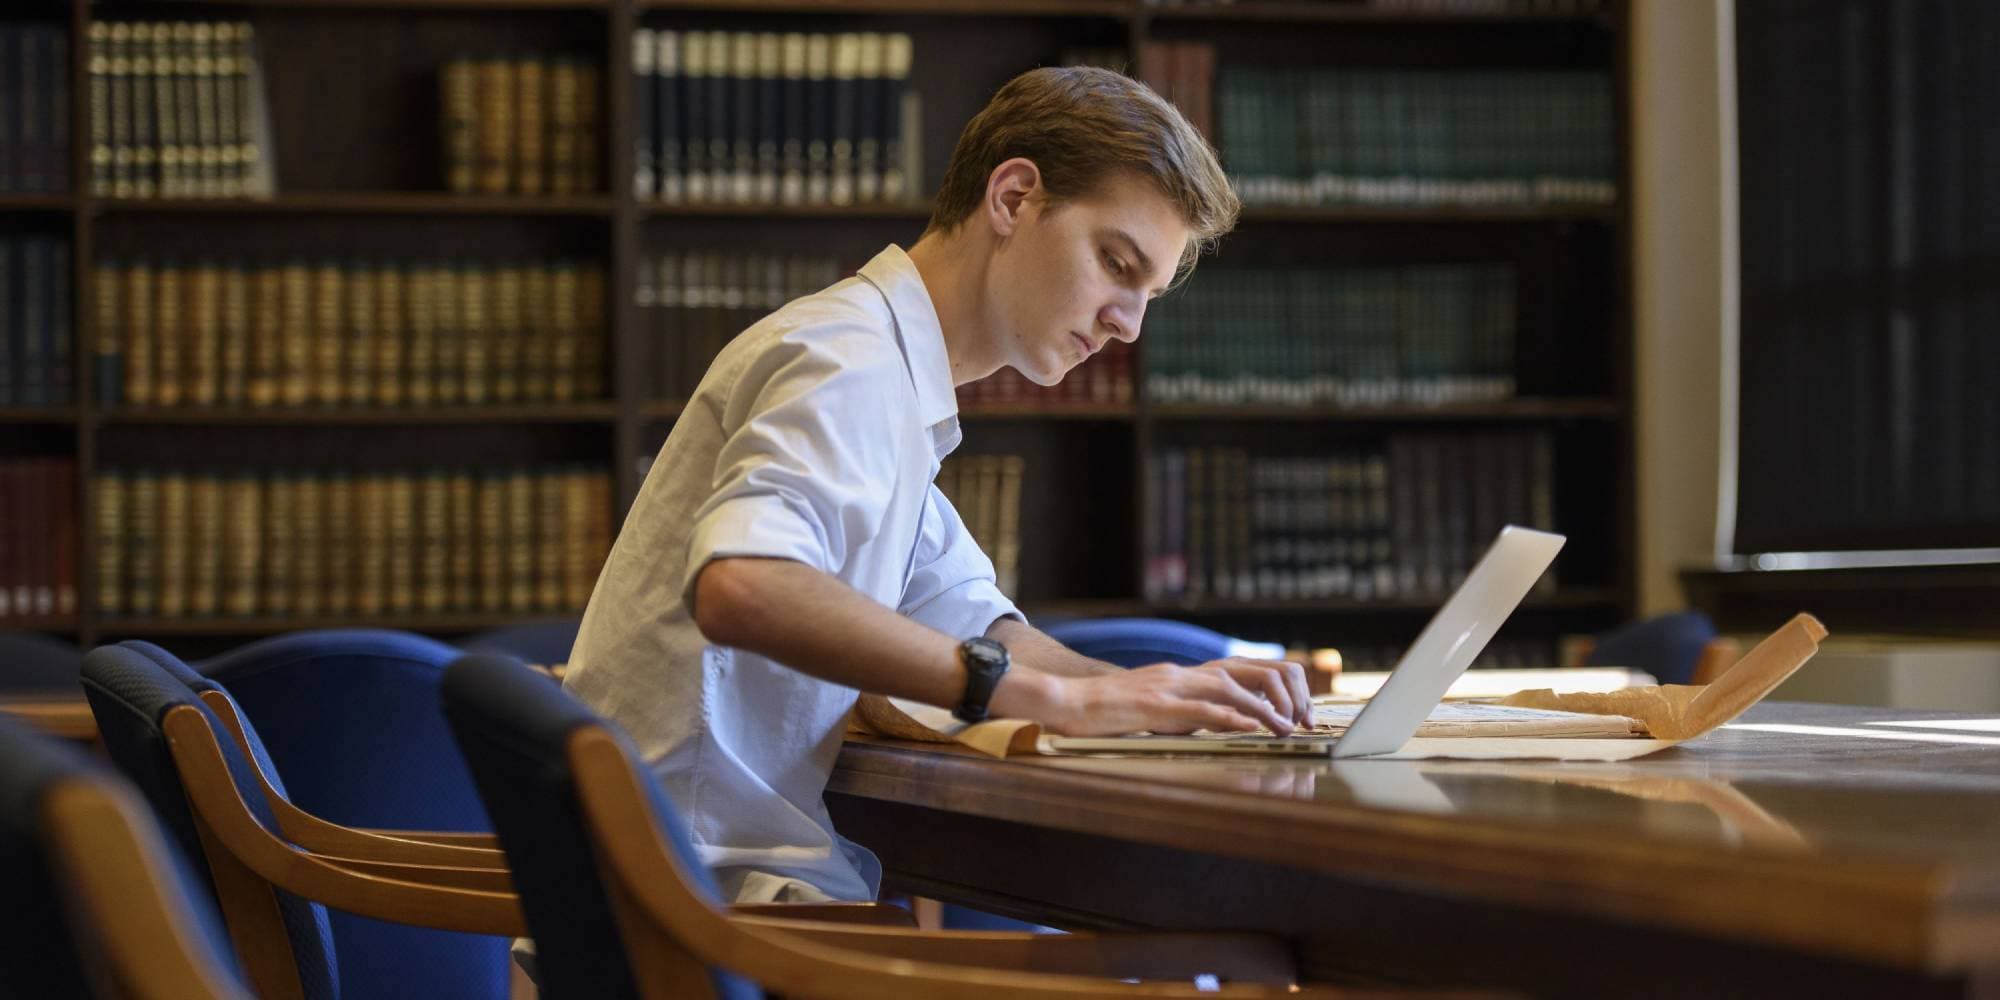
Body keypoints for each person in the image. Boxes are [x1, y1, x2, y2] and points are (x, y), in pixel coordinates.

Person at [562, 65, 1312, 905]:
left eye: (1148, 294)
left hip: (699, 890)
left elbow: (976, 621)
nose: (1127, 325)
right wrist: (1035, 695)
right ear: (1014, 198)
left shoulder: (891, 379)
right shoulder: (848, 365)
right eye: (1115, 263)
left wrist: (1149, 691)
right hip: (698, 909)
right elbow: (743, 584)